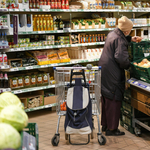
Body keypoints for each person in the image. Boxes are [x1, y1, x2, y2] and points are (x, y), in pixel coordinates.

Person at [98, 16, 142, 136]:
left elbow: (119, 39)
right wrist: (130, 65)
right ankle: (112, 129)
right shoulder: (120, 40)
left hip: (105, 70)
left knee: (106, 98)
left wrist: (130, 39)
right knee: (114, 98)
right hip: (113, 72)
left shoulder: (112, 34)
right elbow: (121, 59)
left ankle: (106, 125)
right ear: (127, 30)